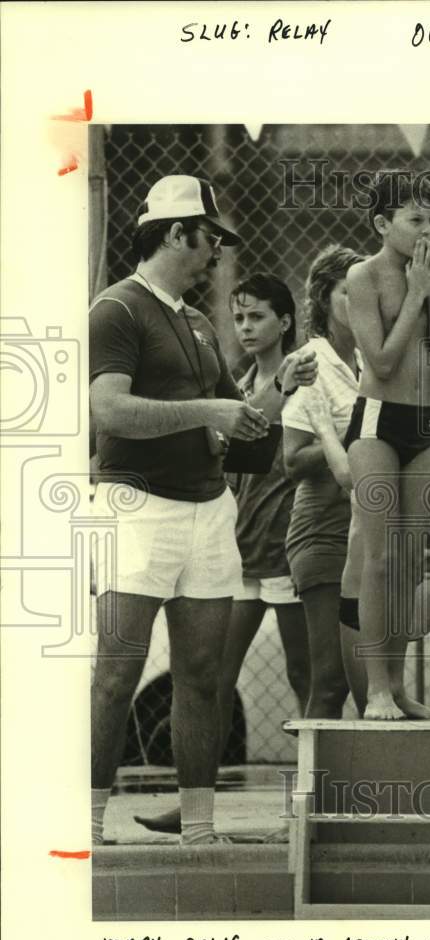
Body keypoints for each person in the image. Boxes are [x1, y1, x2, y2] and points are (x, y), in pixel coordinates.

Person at [90, 175, 268, 846]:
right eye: (211, 239)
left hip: (207, 508)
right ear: (175, 233)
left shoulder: (195, 321)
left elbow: (237, 426)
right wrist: (210, 412)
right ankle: (86, 827)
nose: (218, 254)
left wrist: (279, 394)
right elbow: (108, 410)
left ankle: (198, 827)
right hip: (135, 506)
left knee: (201, 673)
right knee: (117, 672)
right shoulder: (117, 309)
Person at [133, 273, 317, 836]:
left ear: (284, 321)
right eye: (238, 318)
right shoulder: (237, 383)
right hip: (239, 552)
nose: (245, 327)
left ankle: (308, 808)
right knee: (210, 679)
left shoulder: (303, 378)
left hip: (286, 548)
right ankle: (194, 803)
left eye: (256, 316)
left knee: (305, 677)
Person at [345, 171, 430, 719]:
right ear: (382, 223)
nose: (427, 231)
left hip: (422, 421)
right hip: (377, 421)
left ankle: (397, 685)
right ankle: (375, 689)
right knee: (381, 556)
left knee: (411, 562)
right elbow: (383, 362)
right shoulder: (362, 277)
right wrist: (415, 295)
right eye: (416, 220)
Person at [303, 391, 430, 720]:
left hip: (403, 601)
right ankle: (392, 694)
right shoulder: (369, 464)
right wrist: (323, 427)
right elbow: (345, 474)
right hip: (361, 604)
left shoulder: (412, 469)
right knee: (374, 713)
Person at [282, 244, 364, 718]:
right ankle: (312, 794)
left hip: (366, 532)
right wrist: (355, 436)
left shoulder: (369, 360)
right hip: (324, 531)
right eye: (347, 292)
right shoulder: (311, 362)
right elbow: (292, 460)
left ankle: (342, 789)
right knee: (330, 682)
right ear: (323, 297)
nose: (361, 301)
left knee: (362, 679)